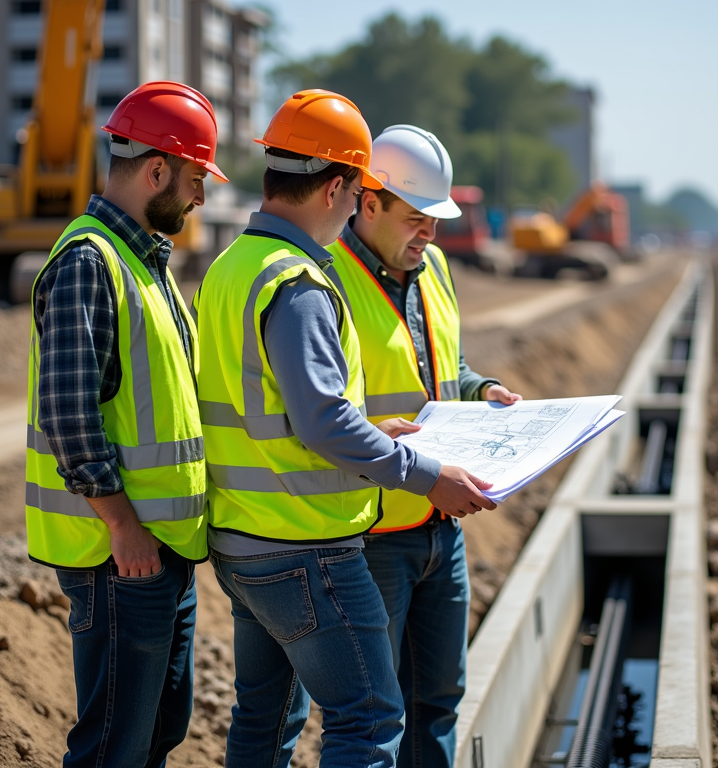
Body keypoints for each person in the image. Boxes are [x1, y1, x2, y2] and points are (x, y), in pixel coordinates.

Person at [192, 90, 498, 768]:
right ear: (341, 189)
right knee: (368, 718)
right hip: (310, 539)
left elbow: (282, 406)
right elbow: (324, 417)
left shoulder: (231, 267)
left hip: (249, 533)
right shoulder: (300, 280)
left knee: (266, 722)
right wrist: (423, 471)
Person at [25, 81, 226, 768]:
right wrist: (122, 525)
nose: (201, 196)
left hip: (160, 549)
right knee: (113, 747)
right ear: (159, 169)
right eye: (197, 178)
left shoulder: (150, 266)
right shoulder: (90, 262)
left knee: (157, 733)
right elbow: (66, 414)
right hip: (121, 556)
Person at [324, 124, 521, 768]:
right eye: (417, 218)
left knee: (438, 699)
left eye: (437, 220)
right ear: (369, 201)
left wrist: (482, 388)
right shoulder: (326, 280)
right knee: (378, 714)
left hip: (445, 525)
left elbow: (445, 371)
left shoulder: (435, 269)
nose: (430, 234)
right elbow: (321, 411)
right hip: (376, 533)